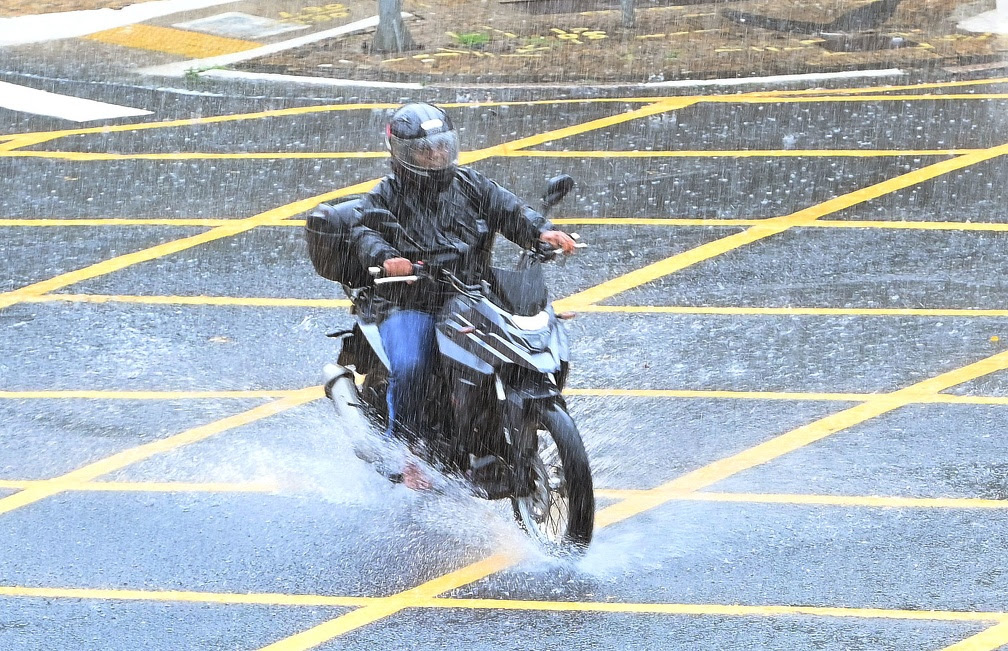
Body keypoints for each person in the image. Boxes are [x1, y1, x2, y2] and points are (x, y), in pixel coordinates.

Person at [349, 102, 576, 488]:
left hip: (470, 294)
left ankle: (490, 441)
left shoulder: (470, 184)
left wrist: (541, 232)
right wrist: (389, 259)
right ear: (402, 154)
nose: (436, 156)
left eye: (441, 147)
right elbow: (364, 232)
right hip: (409, 301)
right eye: (425, 150)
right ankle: (409, 451)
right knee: (414, 366)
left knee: (509, 348)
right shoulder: (384, 196)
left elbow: (509, 210)